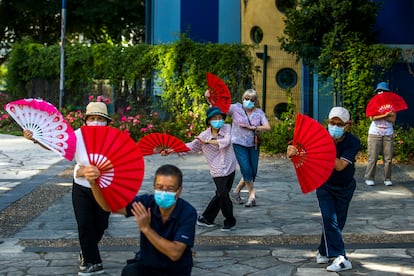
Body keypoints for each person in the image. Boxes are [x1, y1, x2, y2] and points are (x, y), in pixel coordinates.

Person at [24, 101, 113, 275]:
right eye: (92, 118)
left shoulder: (114, 138)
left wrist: (96, 169)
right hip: (81, 187)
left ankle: (86, 252)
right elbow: (56, 145)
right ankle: (92, 262)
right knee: (85, 224)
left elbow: (122, 158)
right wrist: (35, 138)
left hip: (105, 187)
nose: (96, 122)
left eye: (100, 119)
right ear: (86, 121)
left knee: (101, 225)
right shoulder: (77, 136)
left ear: (107, 122)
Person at [84, 164, 197, 276]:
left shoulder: (187, 213)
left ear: (179, 191)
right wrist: (94, 184)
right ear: (154, 187)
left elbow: (175, 253)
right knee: (130, 271)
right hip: (147, 266)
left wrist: (146, 229)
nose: (164, 192)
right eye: (160, 187)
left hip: (175, 271)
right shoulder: (147, 203)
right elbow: (110, 206)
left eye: (170, 188)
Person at [287, 106, 360, 272]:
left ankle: (323, 250)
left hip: (345, 186)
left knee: (337, 223)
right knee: (329, 219)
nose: (335, 127)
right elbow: (297, 151)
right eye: (332, 123)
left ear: (347, 125)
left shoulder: (353, 142)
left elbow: (340, 165)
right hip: (324, 184)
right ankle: (341, 258)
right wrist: (291, 152)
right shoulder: (318, 138)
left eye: (339, 124)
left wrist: (320, 150)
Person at [180, 106, 237, 231]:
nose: (218, 120)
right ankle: (230, 220)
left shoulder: (227, 128)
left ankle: (206, 218)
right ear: (209, 121)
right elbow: (191, 147)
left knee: (220, 194)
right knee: (223, 195)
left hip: (230, 167)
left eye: (220, 117)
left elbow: (226, 141)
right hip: (217, 170)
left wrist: (208, 142)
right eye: (215, 118)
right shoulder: (204, 135)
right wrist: (172, 150)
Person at [226, 89, 271, 207]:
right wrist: (210, 98)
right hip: (238, 143)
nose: (248, 101)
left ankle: (235, 192)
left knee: (253, 172)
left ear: (255, 101)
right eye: (246, 99)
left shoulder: (259, 113)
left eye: (251, 100)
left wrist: (252, 127)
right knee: (246, 169)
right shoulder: (235, 108)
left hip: (253, 144)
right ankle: (252, 197)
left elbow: (267, 127)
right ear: (242, 98)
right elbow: (221, 108)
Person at [364, 82, 396, 186]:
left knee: (388, 158)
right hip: (374, 133)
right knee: (373, 157)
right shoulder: (374, 103)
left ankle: (387, 178)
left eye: (384, 91)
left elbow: (393, 119)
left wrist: (382, 115)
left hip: (388, 133)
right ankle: (369, 177)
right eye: (379, 91)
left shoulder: (392, 105)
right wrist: (385, 114)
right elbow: (371, 118)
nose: (381, 93)